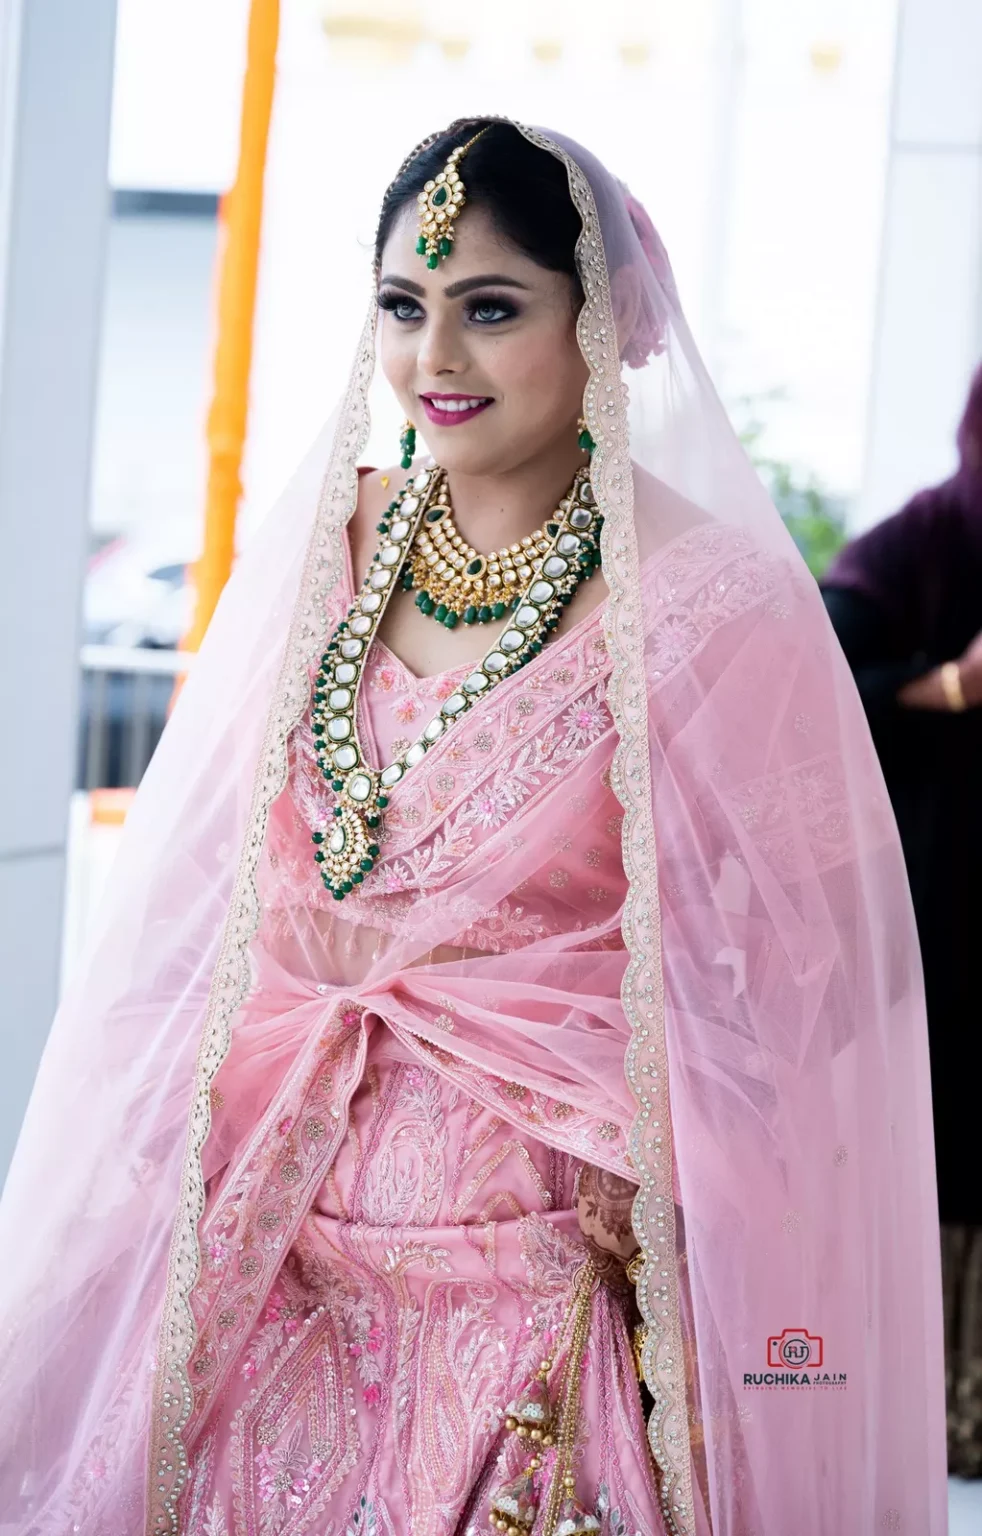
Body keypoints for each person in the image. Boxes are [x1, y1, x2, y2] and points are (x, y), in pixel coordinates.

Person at [0, 119, 947, 1536]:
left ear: (603, 323)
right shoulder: (326, 551)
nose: (432, 359)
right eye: (402, 307)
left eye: (489, 309)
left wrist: (675, 1137)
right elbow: (199, 895)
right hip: (274, 1229)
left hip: (546, 1272)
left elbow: (835, 953)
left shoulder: (706, 608)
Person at [824, 365, 982, 1480]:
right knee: (939, 1133)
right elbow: (810, 676)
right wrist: (947, 688)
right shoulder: (918, 545)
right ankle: (921, 1403)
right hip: (941, 905)